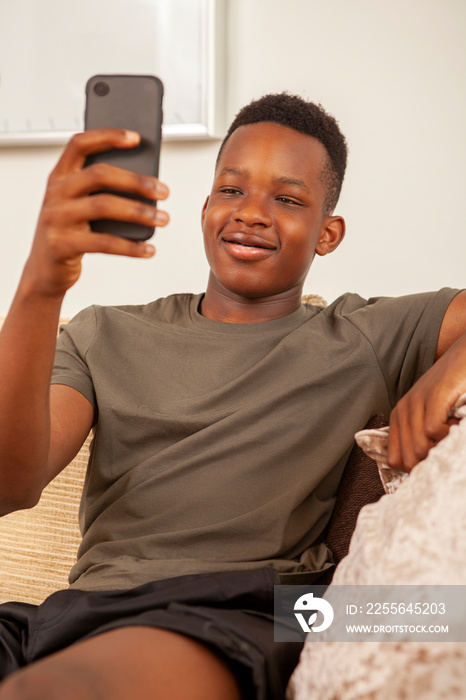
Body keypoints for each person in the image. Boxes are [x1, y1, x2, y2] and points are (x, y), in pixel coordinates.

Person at [0, 93, 465, 700]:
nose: (252, 213)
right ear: (204, 209)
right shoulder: (101, 333)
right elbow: (13, 484)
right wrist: (41, 284)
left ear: (329, 234)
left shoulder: (364, 335)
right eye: (232, 190)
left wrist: (449, 370)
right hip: (73, 612)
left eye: (288, 199)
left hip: (247, 610)